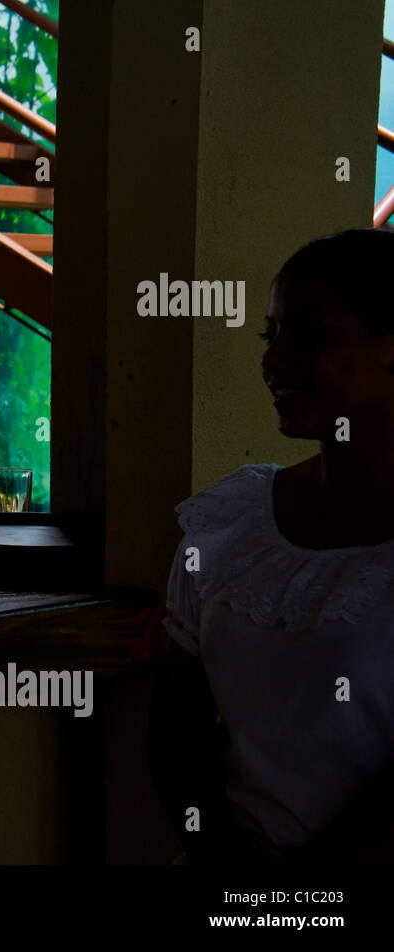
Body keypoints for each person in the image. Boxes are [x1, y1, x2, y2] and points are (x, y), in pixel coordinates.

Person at [148, 228, 394, 863]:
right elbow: (177, 732)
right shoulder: (235, 522)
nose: (274, 362)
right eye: (270, 334)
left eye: (310, 336)